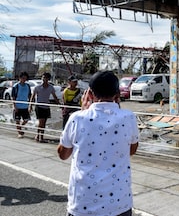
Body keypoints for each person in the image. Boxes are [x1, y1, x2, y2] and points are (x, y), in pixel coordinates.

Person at [57, 71, 139, 216]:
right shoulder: (129, 118)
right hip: (119, 203)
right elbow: (131, 151)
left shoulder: (77, 118)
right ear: (117, 94)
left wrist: (83, 111)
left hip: (83, 203)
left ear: (89, 93)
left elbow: (63, 154)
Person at [29, 72, 60, 142]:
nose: (44, 79)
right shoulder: (37, 87)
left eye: (46, 78)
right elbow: (32, 97)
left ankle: (41, 136)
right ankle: (38, 136)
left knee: (44, 123)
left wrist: (60, 104)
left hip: (46, 106)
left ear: (48, 79)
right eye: (43, 77)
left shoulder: (51, 87)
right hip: (39, 106)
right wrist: (30, 106)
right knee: (41, 122)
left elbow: (55, 97)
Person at [11, 71, 32, 138]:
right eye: (22, 78)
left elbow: (29, 96)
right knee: (17, 120)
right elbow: (13, 97)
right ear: (19, 78)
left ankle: (20, 127)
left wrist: (30, 105)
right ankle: (19, 133)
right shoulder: (16, 86)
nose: (24, 80)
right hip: (17, 106)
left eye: (25, 78)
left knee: (26, 119)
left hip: (25, 106)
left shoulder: (28, 86)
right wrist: (14, 106)